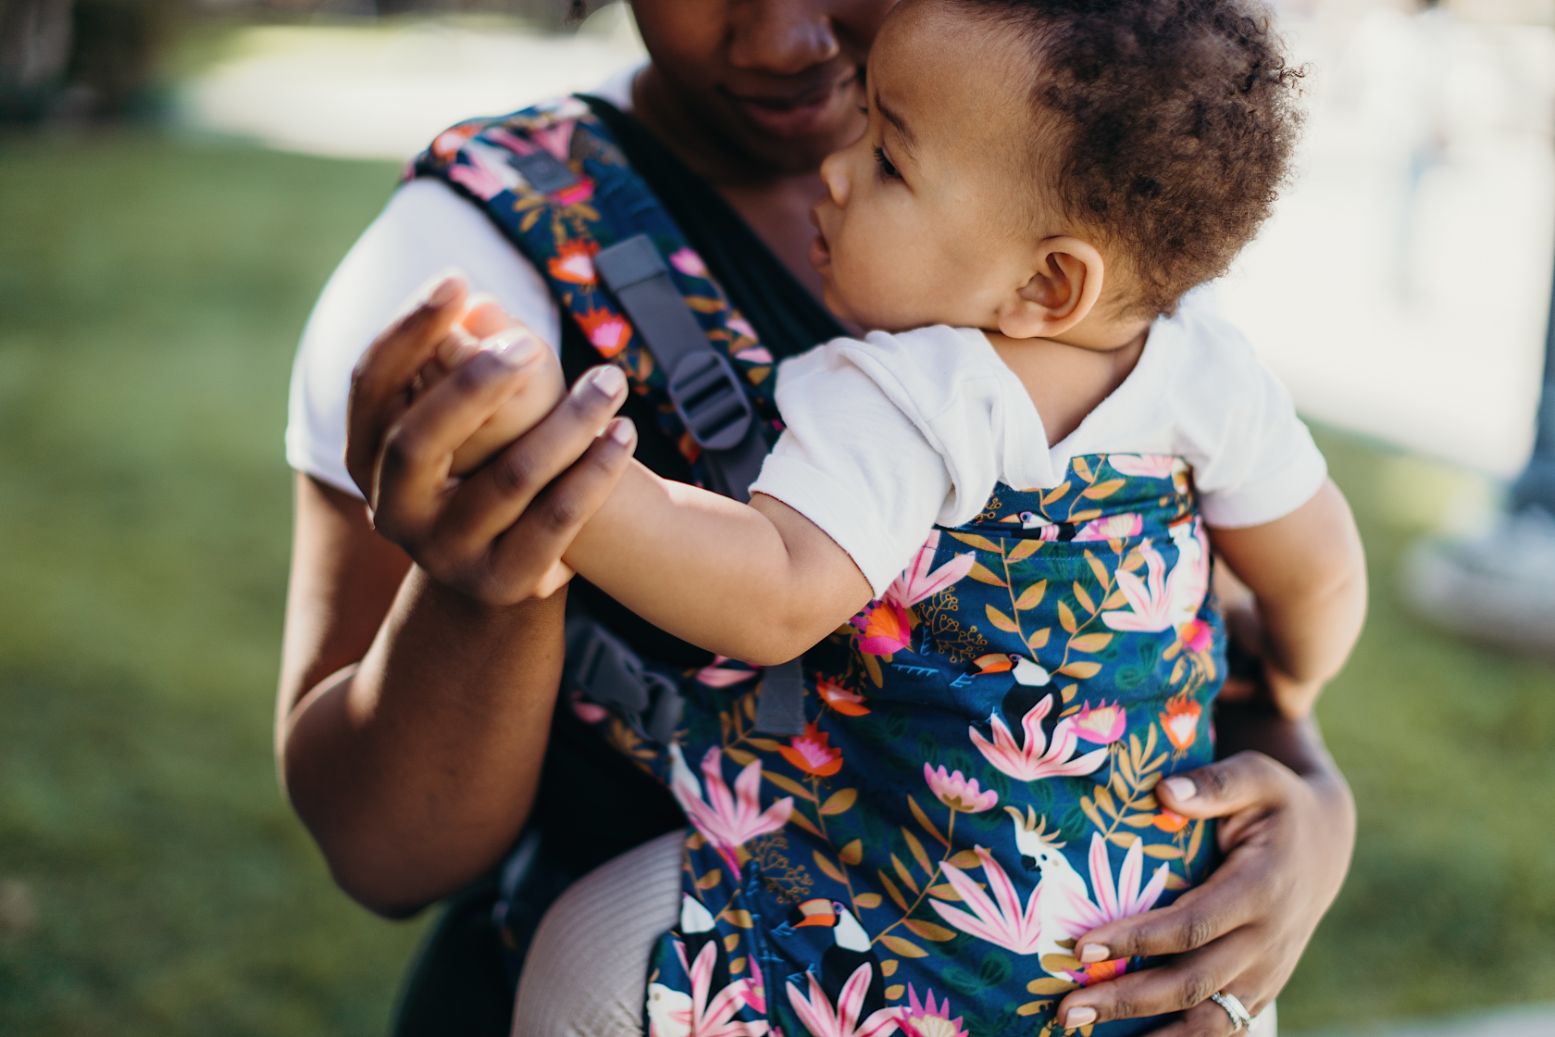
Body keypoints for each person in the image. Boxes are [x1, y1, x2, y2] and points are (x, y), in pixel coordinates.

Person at [277, 1, 1357, 1034]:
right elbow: (1314, 579)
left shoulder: (1060, 199)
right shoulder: (476, 256)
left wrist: (1309, 800)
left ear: (1053, 283)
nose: (787, 37)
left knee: (587, 956)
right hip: (858, 938)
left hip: (1011, 946)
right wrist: (492, 561)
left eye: (888, 158)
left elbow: (1211, 627)